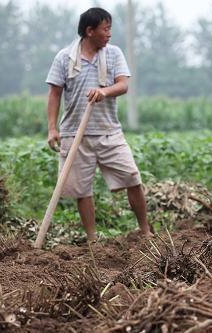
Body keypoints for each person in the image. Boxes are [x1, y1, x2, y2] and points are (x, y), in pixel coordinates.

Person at [45, 7, 153, 241]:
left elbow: (123, 85)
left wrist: (104, 92)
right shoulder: (65, 57)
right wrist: (53, 128)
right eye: (106, 29)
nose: (110, 34)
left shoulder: (113, 54)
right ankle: (93, 240)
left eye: (110, 28)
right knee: (81, 190)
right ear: (90, 31)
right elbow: (54, 93)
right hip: (74, 134)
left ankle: (145, 231)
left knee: (132, 178)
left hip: (108, 131)